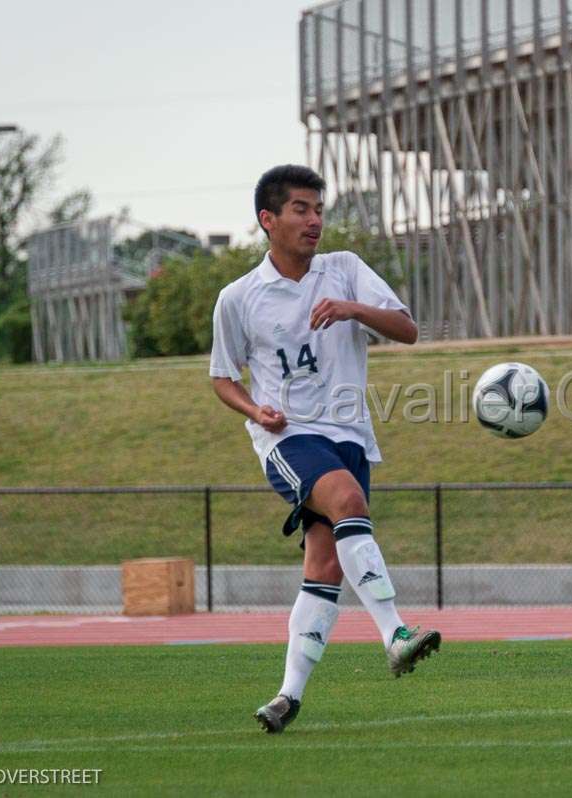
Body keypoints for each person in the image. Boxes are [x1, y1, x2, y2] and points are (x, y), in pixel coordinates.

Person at [209, 164, 440, 734]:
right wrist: (255, 410)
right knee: (347, 501)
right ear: (269, 220)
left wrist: (353, 308)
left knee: (325, 565)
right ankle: (396, 634)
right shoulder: (239, 298)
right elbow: (222, 376)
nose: (315, 220)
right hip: (288, 437)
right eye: (301, 210)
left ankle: (288, 695)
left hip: (351, 435)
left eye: (318, 209)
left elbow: (409, 330)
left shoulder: (345, 270)